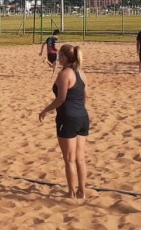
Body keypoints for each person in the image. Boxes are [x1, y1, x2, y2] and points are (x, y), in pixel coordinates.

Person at [38, 44, 89, 199]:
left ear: (66, 58)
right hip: (82, 117)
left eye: (60, 56)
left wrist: (45, 110)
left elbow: (61, 98)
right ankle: (82, 191)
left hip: (68, 118)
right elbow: (85, 96)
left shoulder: (64, 74)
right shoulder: (81, 73)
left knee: (69, 159)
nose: (58, 58)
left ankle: (71, 192)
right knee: (80, 158)